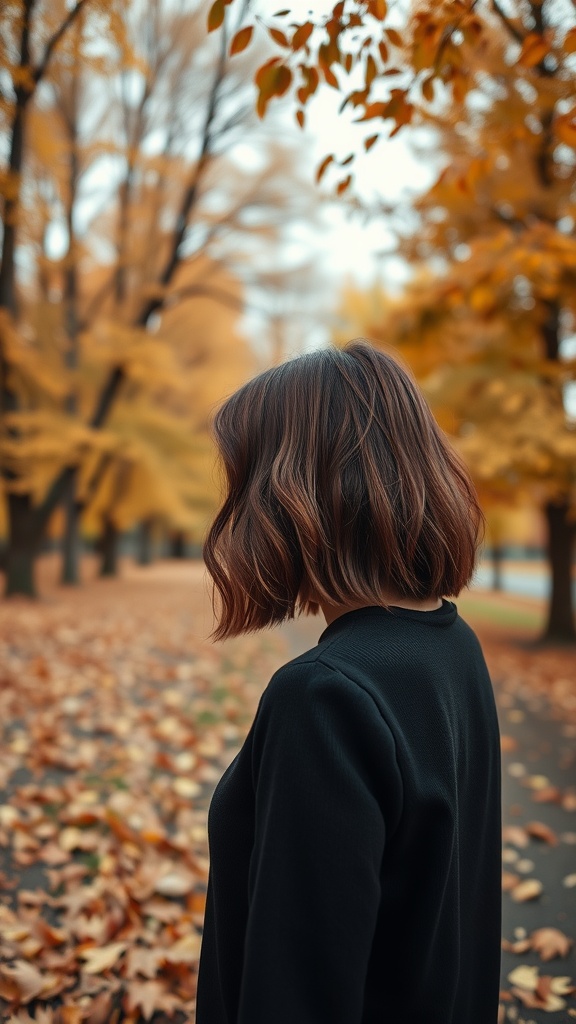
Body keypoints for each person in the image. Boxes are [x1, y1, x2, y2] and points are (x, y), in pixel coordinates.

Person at [195, 340, 502, 1024]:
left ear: (291, 494)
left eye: (242, 481)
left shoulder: (325, 697)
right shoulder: (453, 648)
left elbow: (295, 993)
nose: (235, 509)